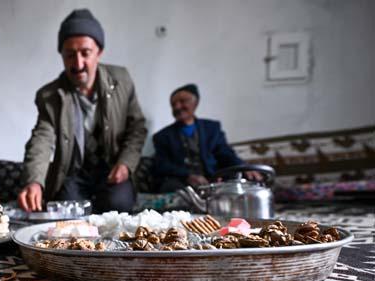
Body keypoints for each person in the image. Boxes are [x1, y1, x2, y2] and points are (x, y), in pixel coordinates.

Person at [18, 9, 147, 213]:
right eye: (70, 55)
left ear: (99, 53)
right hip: (74, 175)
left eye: (85, 53)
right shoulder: (48, 96)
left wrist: (125, 164)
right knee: (66, 213)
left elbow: (137, 129)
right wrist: (34, 182)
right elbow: (41, 140)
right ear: (61, 55)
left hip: (112, 171)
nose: (78, 64)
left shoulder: (122, 80)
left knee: (119, 204)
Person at [152, 83, 261, 192]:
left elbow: (225, 153)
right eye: (173, 104)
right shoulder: (162, 136)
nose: (177, 107)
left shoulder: (212, 128)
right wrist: (187, 176)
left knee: (242, 179)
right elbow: (162, 165)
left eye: (182, 101)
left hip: (212, 178)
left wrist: (242, 166)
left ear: (195, 102)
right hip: (182, 181)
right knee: (171, 187)